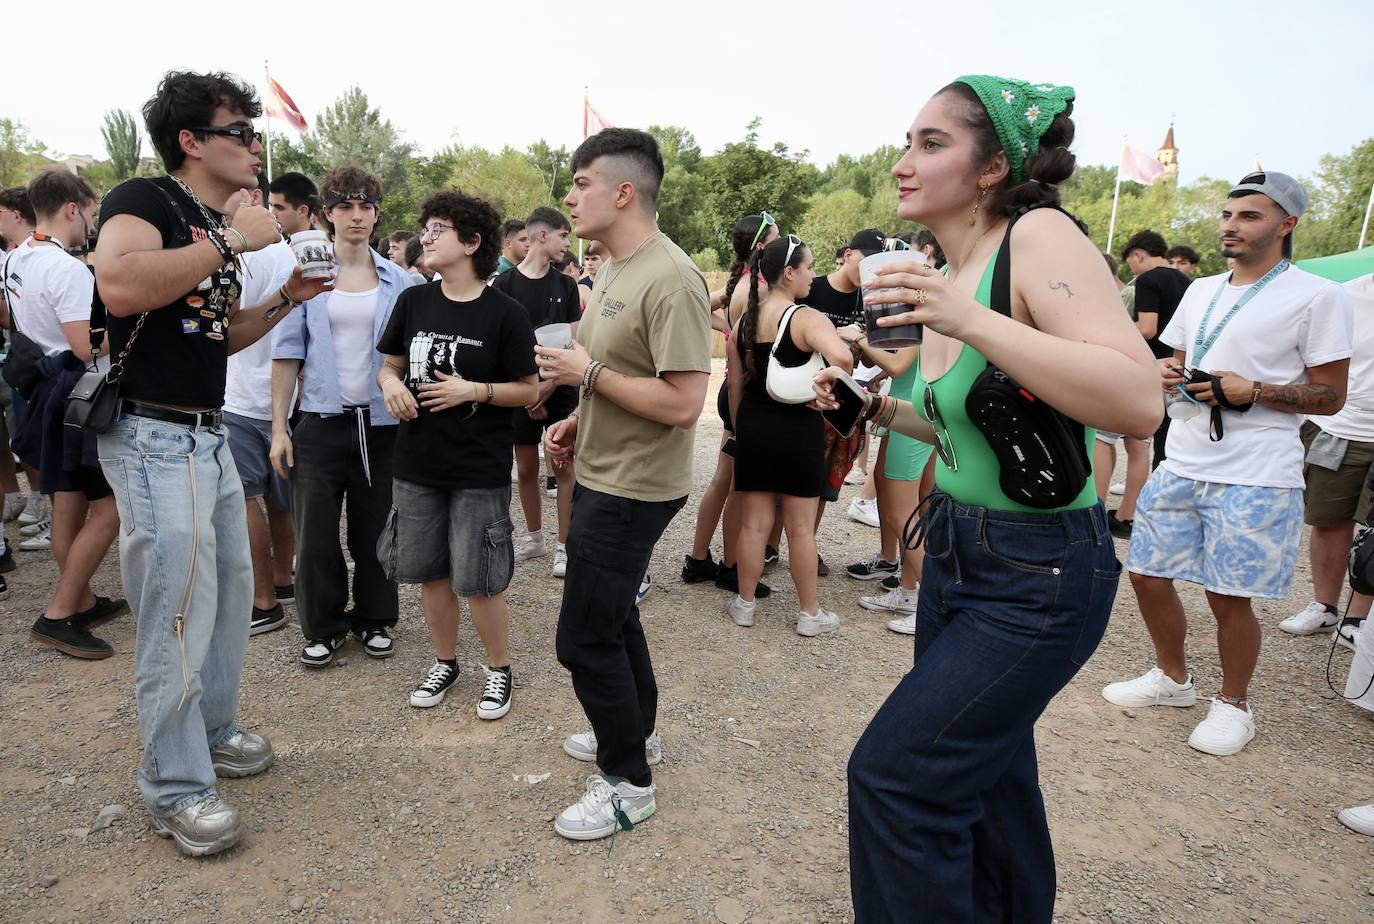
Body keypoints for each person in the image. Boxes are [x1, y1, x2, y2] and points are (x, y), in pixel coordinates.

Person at [812, 76, 1159, 921]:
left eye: (932, 143)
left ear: (994, 166)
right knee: (993, 776)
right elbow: (967, 431)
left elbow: (1137, 398)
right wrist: (878, 408)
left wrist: (967, 319)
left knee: (896, 778)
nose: (903, 162)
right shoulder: (945, 271)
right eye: (907, 141)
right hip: (961, 552)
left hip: (1039, 572)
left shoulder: (1036, 237)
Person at [93, 69, 330, 856]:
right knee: (177, 609)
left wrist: (289, 296)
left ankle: (214, 732)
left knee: (227, 596)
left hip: (205, 431)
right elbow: (121, 286)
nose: (256, 144)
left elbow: (212, 334)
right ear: (192, 141)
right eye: (241, 131)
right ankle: (174, 784)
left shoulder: (210, 220)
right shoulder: (146, 199)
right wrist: (231, 241)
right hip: (155, 435)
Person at [1105, 171, 1353, 758]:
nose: (1230, 226)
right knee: (1145, 574)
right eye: (1227, 215)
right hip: (1184, 455)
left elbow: (1331, 396)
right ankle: (1172, 680)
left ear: (1286, 225)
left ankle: (1234, 704)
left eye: (1250, 216)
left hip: (1257, 469)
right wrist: (1170, 375)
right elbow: (1183, 362)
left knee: (1227, 594)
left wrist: (1255, 390)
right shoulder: (1201, 289)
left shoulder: (1318, 295)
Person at [535, 128, 711, 841]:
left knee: (581, 639)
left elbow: (682, 405)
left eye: (580, 183)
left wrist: (588, 380)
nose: (569, 197)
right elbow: (612, 365)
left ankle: (626, 785)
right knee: (615, 618)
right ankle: (637, 736)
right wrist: (581, 415)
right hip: (605, 469)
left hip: (636, 486)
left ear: (623, 192)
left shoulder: (671, 277)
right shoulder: (611, 266)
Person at [376, 190, 537, 717]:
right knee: (431, 574)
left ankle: (499, 668)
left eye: (439, 227)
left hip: (478, 467)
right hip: (417, 464)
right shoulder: (413, 301)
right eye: (426, 226)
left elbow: (530, 390)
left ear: (472, 242)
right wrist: (389, 386)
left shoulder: (505, 313)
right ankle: (445, 662)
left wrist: (475, 391)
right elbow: (389, 365)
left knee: (481, 578)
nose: (426, 235)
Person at [270, 165, 413, 667]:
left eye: (366, 207)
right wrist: (278, 429)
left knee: (378, 528)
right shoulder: (310, 274)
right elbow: (287, 353)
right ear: (327, 213)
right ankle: (324, 625)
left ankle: (376, 618)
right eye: (346, 207)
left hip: (382, 426)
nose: (357, 216)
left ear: (376, 215)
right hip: (321, 420)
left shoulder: (400, 279)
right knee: (314, 534)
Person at [6, 169, 126, 659]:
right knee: (110, 508)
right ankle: (60, 612)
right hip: (76, 394)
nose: (91, 223)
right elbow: (84, 346)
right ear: (72, 208)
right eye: (91, 212)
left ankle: (82, 597)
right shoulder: (69, 269)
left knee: (67, 504)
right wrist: (135, 323)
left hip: (47, 391)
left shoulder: (18, 257)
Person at [728, 233, 851, 635]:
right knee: (800, 527)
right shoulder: (805, 317)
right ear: (789, 273)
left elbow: (735, 386)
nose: (815, 276)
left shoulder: (746, 319)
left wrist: (738, 429)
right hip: (798, 426)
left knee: (754, 524)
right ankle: (808, 614)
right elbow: (844, 358)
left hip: (754, 423)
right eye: (810, 267)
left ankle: (744, 604)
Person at [224, 174, 306, 636]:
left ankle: (263, 600)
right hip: (288, 396)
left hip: (244, 396)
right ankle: (283, 579)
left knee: (246, 500)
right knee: (279, 497)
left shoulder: (231, 255)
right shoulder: (294, 255)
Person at [682, 213, 779, 596]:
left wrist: (727, 328)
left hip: (730, 390)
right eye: (775, 238)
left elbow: (701, 305)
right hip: (744, 394)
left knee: (724, 479)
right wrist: (729, 329)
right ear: (760, 247)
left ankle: (698, 559)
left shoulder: (741, 282)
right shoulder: (758, 287)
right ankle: (730, 566)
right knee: (738, 486)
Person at [1280, 272, 1374, 648]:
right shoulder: (1345, 295)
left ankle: (1357, 619)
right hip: (1338, 426)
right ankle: (1325, 606)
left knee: (1373, 531)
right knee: (1328, 519)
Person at [491, 207, 580, 576]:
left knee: (563, 466)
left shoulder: (567, 286)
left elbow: (577, 345)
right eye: (564, 236)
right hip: (520, 394)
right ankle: (534, 537)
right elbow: (498, 349)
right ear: (543, 236)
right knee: (526, 468)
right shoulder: (503, 286)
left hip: (559, 392)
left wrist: (548, 386)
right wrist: (529, 394)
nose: (568, 244)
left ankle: (565, 546)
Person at [1121, 229, 1192, 473]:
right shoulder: (1185, 281)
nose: (1131, 269)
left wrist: (1115, 329)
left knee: (1141, 440)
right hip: (1181, 365)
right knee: (1171, 437)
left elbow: (1147, 328)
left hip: (1157, 368)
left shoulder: (1147, 280)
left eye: (1130, 262)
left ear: (1138, 255)